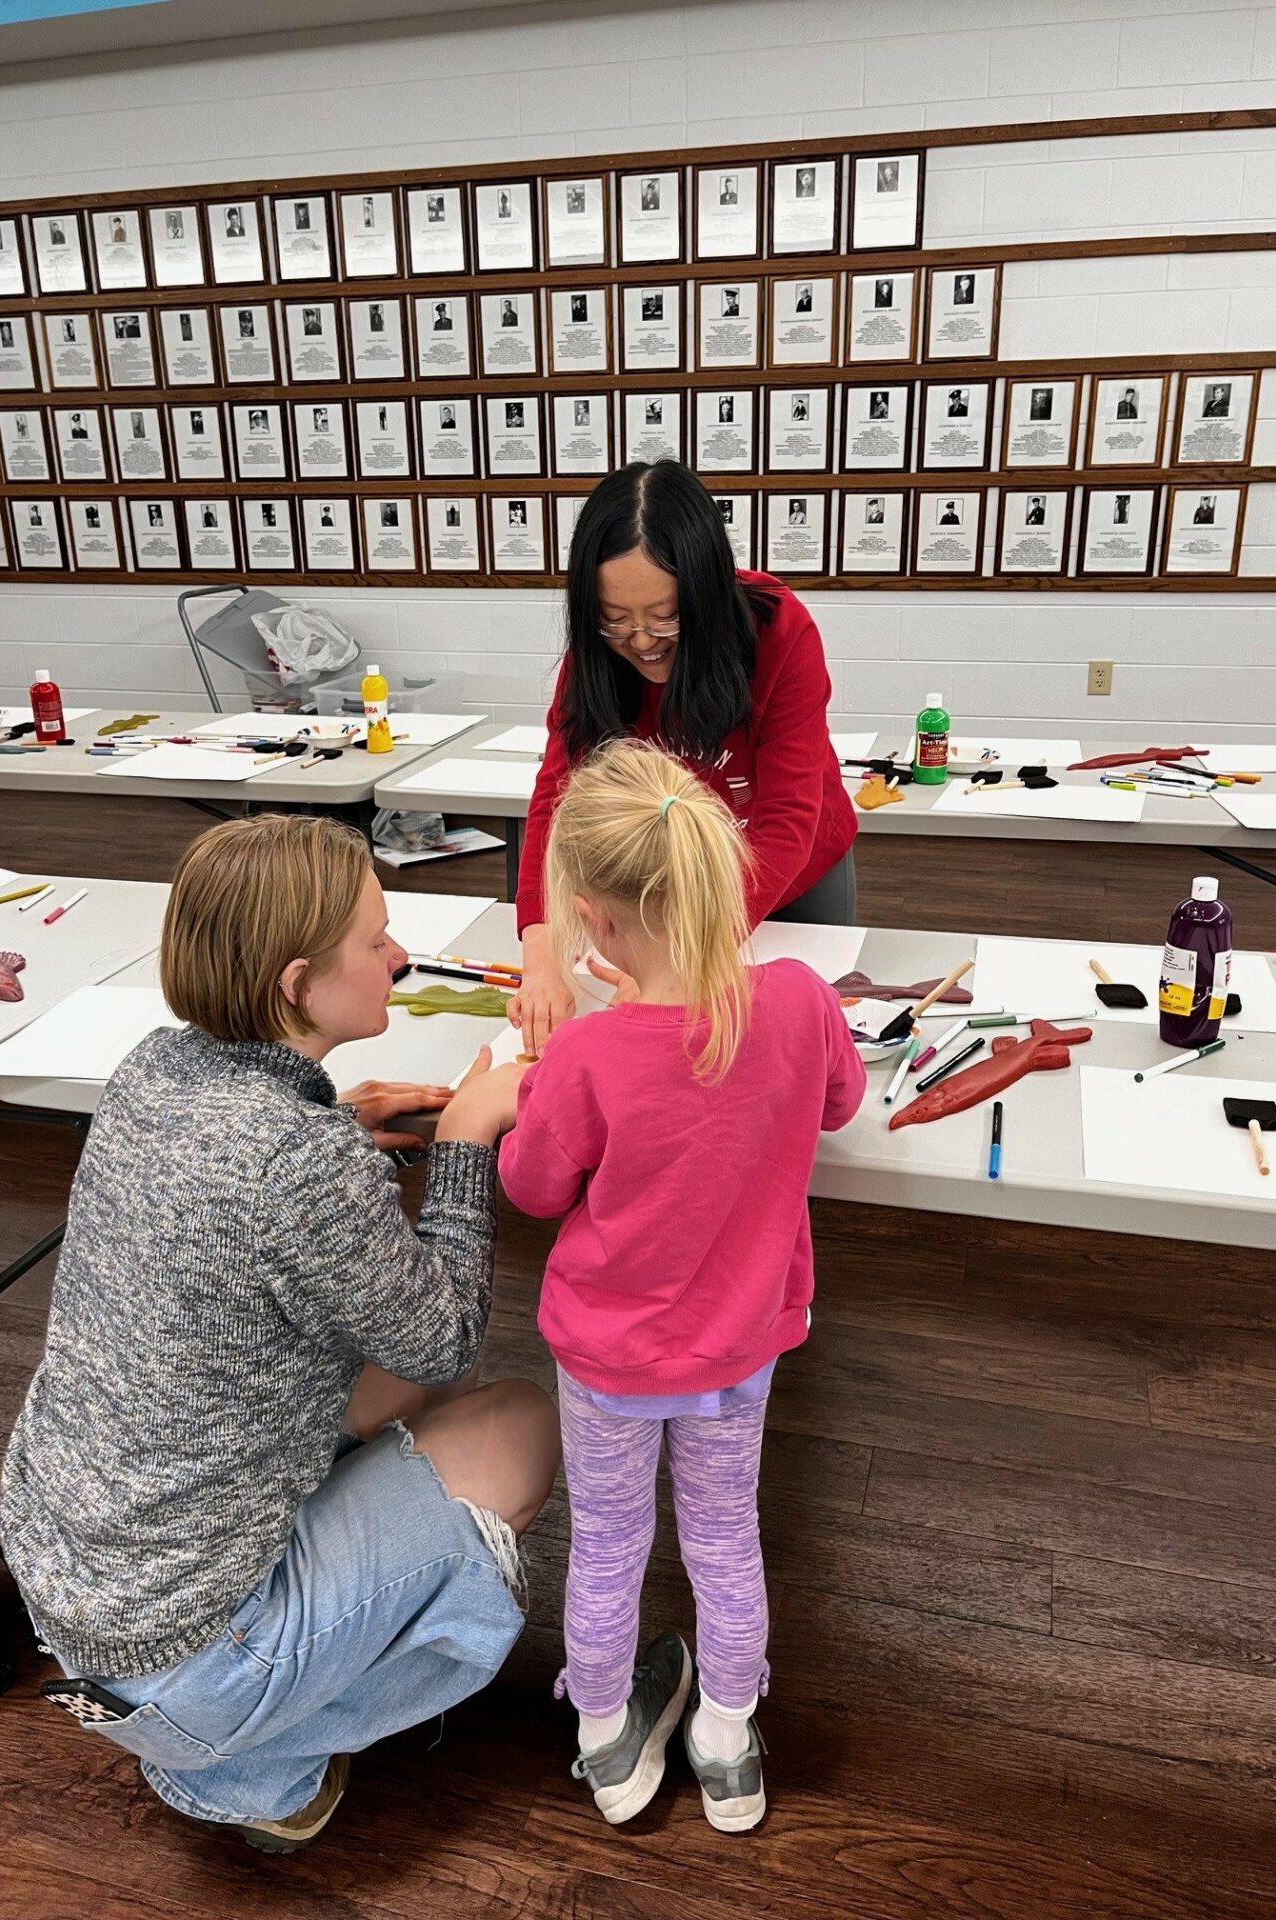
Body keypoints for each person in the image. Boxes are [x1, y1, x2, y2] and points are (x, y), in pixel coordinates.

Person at [1, 816, 559, 1854]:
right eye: (376, 941)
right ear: (299, 982)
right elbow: (448, 1337)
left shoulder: (153, 1070)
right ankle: (255, 1762)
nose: (397, 956)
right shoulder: (292, 1164)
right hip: (186, 1653)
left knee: (400, 1392)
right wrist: (472, 1139)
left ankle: (219, 1721)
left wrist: (348, 1129)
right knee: (518, 1421)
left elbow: (253, 1196)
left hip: (78, 1593)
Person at [500, 743, 865, 1830]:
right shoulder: (798, 1001)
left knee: (608, 1542)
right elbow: (838, 1103)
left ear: (592, 924)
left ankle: (607, 1742)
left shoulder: (585, 1058)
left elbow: (530, 1185)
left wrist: (557, 1068)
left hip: (609, 1361)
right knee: (724, 1533)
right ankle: (727, 1740)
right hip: (738, 1348)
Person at [509, 460, 859, 1057]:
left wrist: (672, 969)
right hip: (659, 879)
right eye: (615, 620)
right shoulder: (595, 660)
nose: (641, 642)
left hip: (782, 877)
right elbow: (556, 804)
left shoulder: (778, 631)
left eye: (665, 617)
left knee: (792, 1032)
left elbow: (786, 823)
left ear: (706, 593)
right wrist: (541, 956)